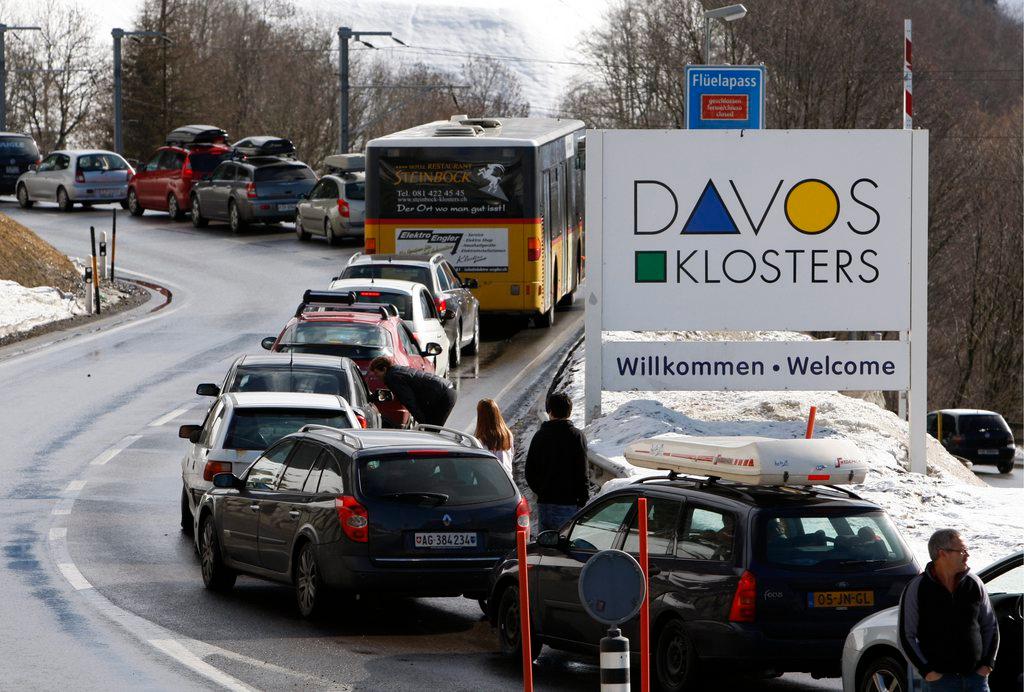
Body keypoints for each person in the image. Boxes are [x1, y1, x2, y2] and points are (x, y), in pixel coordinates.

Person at [899, 529, 1000, 692]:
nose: (967, 555)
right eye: (961, 551)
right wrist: (928, 672)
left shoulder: (974, 583)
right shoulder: (917, 587)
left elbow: (991, 626)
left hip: (976, 680)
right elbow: (906, 635)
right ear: (942, 553)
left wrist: (987, 665)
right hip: (939, 683)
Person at [525, 391, 589, 533]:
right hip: (569, 503)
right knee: (565, 547)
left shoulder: (540, 436)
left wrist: (542, 491)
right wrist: (582, 499)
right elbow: (582, 472)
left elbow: (529, 471)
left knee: (545, 547)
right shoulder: (577, 436)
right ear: (569, 411)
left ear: (550, 411)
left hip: (545, 503)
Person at [368, 356, 456, 427]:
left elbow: (409, 400)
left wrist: (422, 421)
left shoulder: (392, 377)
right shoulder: (395, 371)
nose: (376, 377)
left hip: (443, 394)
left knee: (432, 430)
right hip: (445, 390)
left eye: (377, 373)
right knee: (431, 429)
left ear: (384, 369)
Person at [475, 399, 514, 476]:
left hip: (491, 481)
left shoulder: (481, 439)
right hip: (508, 479)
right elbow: (511, 455)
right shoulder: (507, 434)